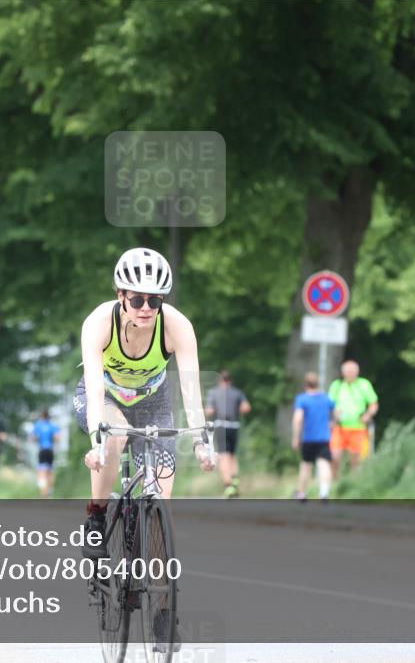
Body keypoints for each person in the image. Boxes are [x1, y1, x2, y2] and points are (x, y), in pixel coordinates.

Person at [74, 247, 213, 651]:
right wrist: (98, 440)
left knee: (160, 508)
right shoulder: (99, 323)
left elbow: (190, 388)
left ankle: (163, 614)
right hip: (105, 398)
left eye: (155, 299)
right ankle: (97, 517)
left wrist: (202, 439)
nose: (146, 307)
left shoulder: (177, 326)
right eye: (137, 299)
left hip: (154, 402)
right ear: (121, 295)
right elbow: (96, 386)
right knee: (115, 436)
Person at [327, 360, 379, 479]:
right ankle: (335, 484)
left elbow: (373, 404)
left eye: (353, 372)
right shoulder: (337, 385)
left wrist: (368, 415)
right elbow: (329, 404)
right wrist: (334, 412)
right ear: (343, 372)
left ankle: (353, 485)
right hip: (339, 427)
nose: (350, 374)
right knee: (335, 457)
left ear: (357, 372)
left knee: (357, 460)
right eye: (348, 372)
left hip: (358, 428)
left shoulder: (364, 384)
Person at [205, 370, 252, 498]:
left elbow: (209, 411)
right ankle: (235, 478)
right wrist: (237, 409)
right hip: (234, 426)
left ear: (220, 381)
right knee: (232, 455)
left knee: (223, 456)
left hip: (221, 426)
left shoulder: (213, 393)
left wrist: (205, 412)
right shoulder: (237, 393)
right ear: (230, 381)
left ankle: (228, 486)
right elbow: (246, 407)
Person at [292, 371, 335, 502]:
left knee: (306, 465)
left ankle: (302, 493)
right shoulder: (326, 398)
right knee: (324, 464)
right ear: (318, 384)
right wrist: (333, 423)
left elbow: (298, 419)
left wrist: (296, 437)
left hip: (309, 438)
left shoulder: (302, 399)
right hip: (324, 437)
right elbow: (337, 413)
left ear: (305, 384)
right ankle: (324, 492)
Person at [31, 409, 60, 497]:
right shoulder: (52, 425)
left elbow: (33, 438)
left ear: (42, 416)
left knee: (41, 473)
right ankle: (50, 491)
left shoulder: (38, 425)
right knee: (50, 472)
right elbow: (57, 438)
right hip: (50, 450)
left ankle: (44, 494)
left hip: (42, 450)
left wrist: (39, 439)